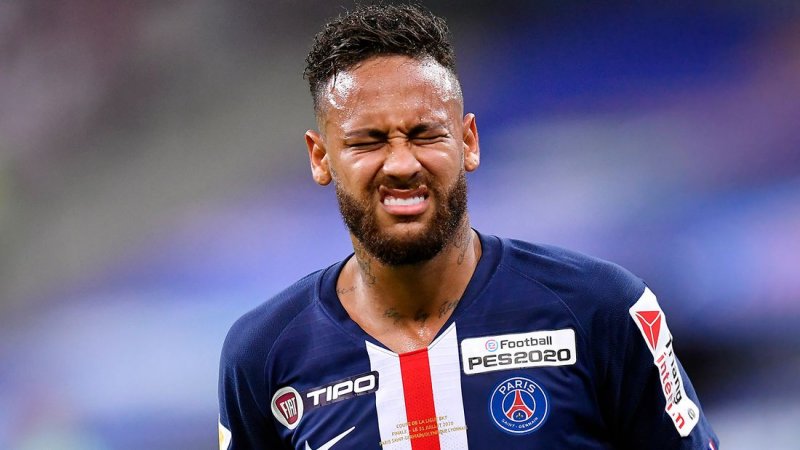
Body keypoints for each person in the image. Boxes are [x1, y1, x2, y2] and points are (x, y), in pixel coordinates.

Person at [218, 4, 719, 449]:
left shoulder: (600, 308)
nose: (401, 163)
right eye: (367, 141)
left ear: (468, 142)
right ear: (320, 157)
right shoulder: (263, 355)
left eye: (425, 134)